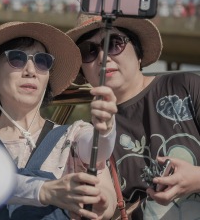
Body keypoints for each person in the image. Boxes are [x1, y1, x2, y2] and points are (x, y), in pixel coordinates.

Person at [0, 21, 118, 220]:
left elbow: (97, 149)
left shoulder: (73, 135)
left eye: (42, 61)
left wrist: (106, 129)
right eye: (17, 58)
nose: (31, 70)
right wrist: (45, 191)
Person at [67, 14, 200, 219]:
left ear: (138, 54)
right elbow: (103, 207)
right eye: (89, 51)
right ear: (83, 71)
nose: (102, 57)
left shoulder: (187, 86)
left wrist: (196, 179)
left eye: (114, 43)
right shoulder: (88, 137)